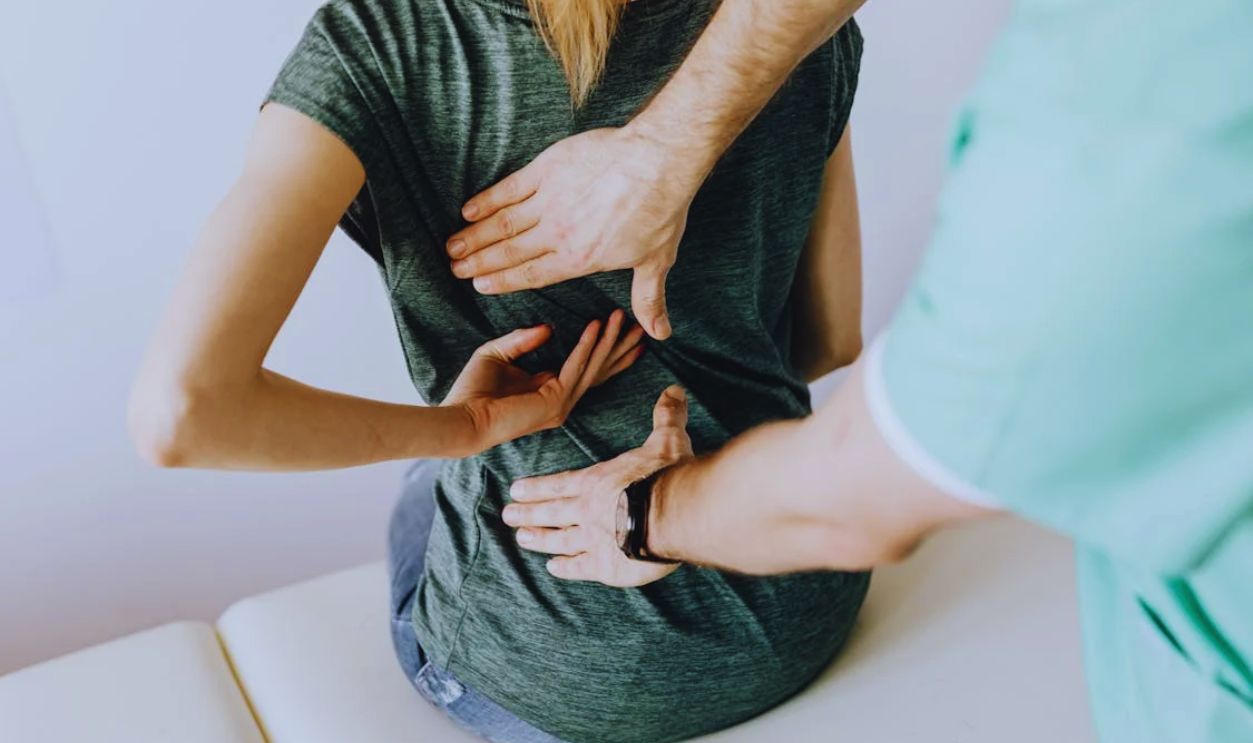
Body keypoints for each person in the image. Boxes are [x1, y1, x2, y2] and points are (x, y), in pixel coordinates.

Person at [471, 0, 1253, 741]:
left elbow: (866, 493)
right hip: (806, 612)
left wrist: (636, 510)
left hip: (574, 672)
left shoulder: (1125, 126)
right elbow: (830, 342)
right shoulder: (819, 56)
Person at [129, 1, 871, 741]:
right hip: (803, 588)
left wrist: (463, 427)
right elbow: (829, 340)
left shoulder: (376, 43)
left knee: (423, 480)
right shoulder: (780, 23)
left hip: (576, 677)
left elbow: (186, 412)